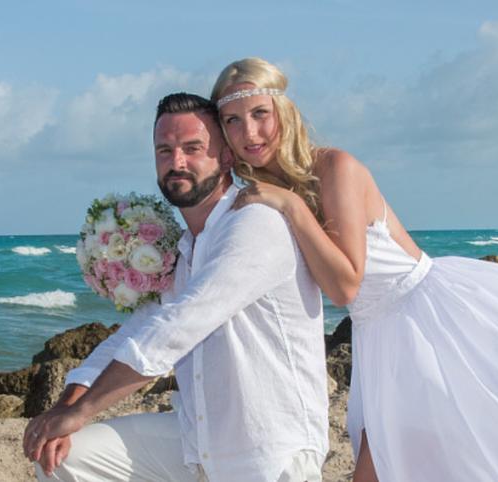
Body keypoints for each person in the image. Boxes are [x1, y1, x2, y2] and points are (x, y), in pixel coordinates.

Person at [211, 57, 498, 482]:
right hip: (375, 333)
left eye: (260, 113)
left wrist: (291, 206)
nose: (249, 132)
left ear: (284, 112)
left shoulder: (334, 168)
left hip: (428, 320)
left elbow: (345, 286)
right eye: (232, 120)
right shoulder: (264, 192)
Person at [22, 93, 330, 481]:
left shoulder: (255, 223)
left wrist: (83, 411)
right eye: (164, 150)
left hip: (270, 452)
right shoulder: (185, 249)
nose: (176, 162)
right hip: (199, 443)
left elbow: (178, 327)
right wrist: (67, 405)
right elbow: (138, 330)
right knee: (62, 456)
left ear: (227, 157)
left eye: (192, 148)